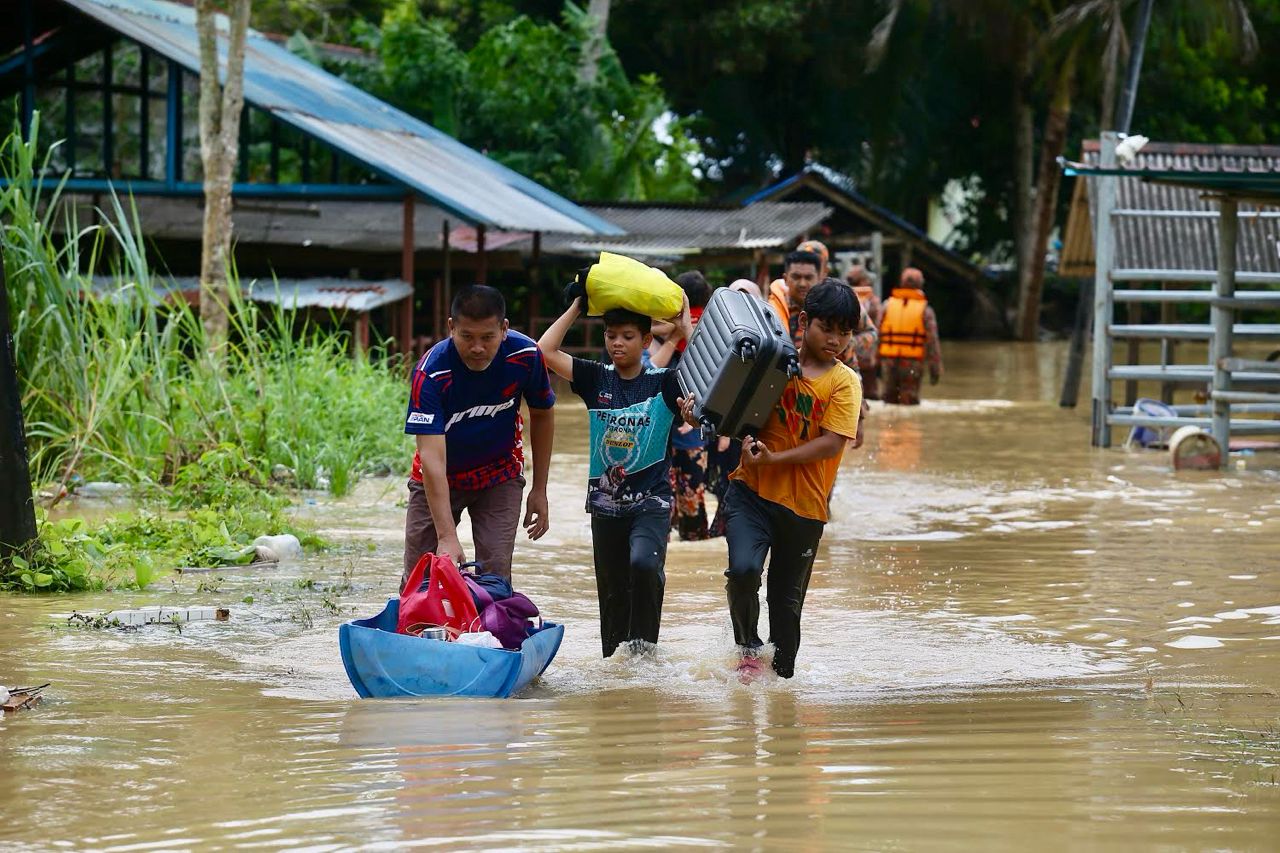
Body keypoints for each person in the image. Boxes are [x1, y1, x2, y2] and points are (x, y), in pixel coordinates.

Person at [681, 278, 862, 681]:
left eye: (844, 332)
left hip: (804, 509)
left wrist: (775, 458)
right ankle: (747, 649)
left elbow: (831, 444)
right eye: (826, 328)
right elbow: (728, 407)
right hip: (751, 492)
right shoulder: (772, 362)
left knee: (786, 607)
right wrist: (698, 415)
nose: (835, 340)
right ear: (803, 322)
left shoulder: (844, 382)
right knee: (743, 572)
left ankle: (784, 692)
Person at [538, 292, 692, 657]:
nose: (617, 343)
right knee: (611, 591)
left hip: (651, 500)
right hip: (606, 502)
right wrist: (578, 305)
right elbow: (544, 351)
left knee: (644, 563)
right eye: (611, 336)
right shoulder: (595, 378)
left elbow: (705, 377)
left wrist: (685, 328)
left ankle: (645, 650)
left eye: (627, 336)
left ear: (645, 341)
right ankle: (617, 663)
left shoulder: (666, 382)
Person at [402, 285, 554, 581]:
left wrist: (539, 489)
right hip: (439, 477)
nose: (477, 348)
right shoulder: (431, 373)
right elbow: (431, 458)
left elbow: (543, 414)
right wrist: (446, 535)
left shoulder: (525, 356)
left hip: (500, 474)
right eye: (467, 337)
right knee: (421, 578)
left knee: (495, 576)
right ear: (451, 328)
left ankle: (488, 624)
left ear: (504, 329)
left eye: (488, 337)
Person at [652, 271, 713, 541]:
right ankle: (695, 535)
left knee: (660, 494)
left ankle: (661, 539)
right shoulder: (710, 321)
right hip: (694, 421)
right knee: (692, 494)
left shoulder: (670, 324)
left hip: (662, 422)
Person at [878, 267, 943, 405]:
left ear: (902, 283)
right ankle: (909, 427)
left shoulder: (887, 305)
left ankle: (887, 427)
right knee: (909, 401)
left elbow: (877, 333)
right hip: (912, 363)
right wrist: (935, 368)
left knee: (888, 400)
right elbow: (932, 341)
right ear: (920, 285)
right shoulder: (926, 310)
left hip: (888, 362)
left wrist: (875, 361)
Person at [845, 265, 882, 400]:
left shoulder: (841, 299)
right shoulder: (873, 301)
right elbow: (878, 328)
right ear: (864, 281)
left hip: (845, 358)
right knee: (870, 396)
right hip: (868, 358)